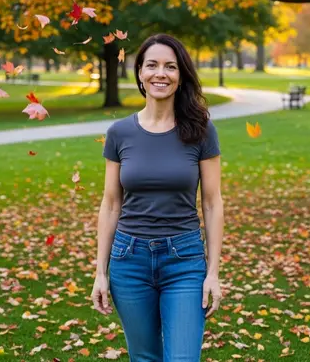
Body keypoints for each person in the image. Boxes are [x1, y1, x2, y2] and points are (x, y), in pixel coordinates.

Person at [91, 33, 224, 361]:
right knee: (145, 357)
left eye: (170, 67)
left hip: (184, 260)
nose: (160, 73)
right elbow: (110, 203)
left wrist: (214, 271)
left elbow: (212, 201)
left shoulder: (201, 129)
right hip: (129, 260)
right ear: (140, 73)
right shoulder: (119, 133)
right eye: (152, 65)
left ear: (181, 76)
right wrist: (100, 271)